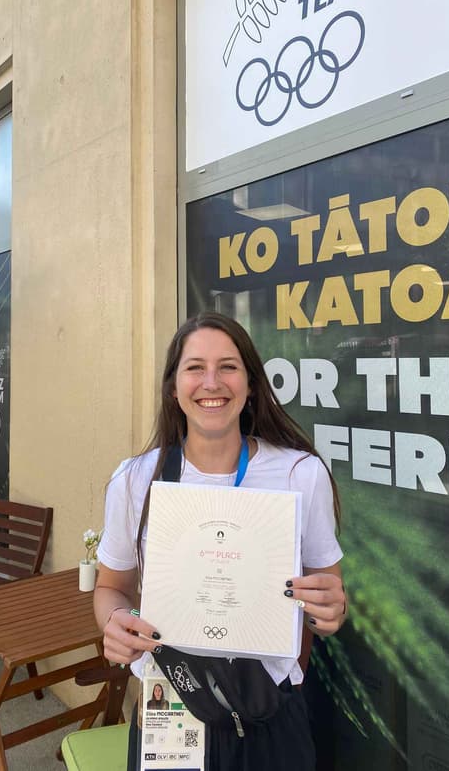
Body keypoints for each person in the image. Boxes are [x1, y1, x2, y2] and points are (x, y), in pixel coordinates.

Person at [94, 312, 347, 771]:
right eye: (195, 368)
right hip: (170, 706)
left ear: (250, 385)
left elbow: (326, 598)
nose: (212, 382)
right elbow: (111, 587)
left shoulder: (300, 473)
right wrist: (116, 620)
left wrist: (329, 612)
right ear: (174, 386)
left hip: (271, 712)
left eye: (228, 366)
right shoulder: (134, 481)